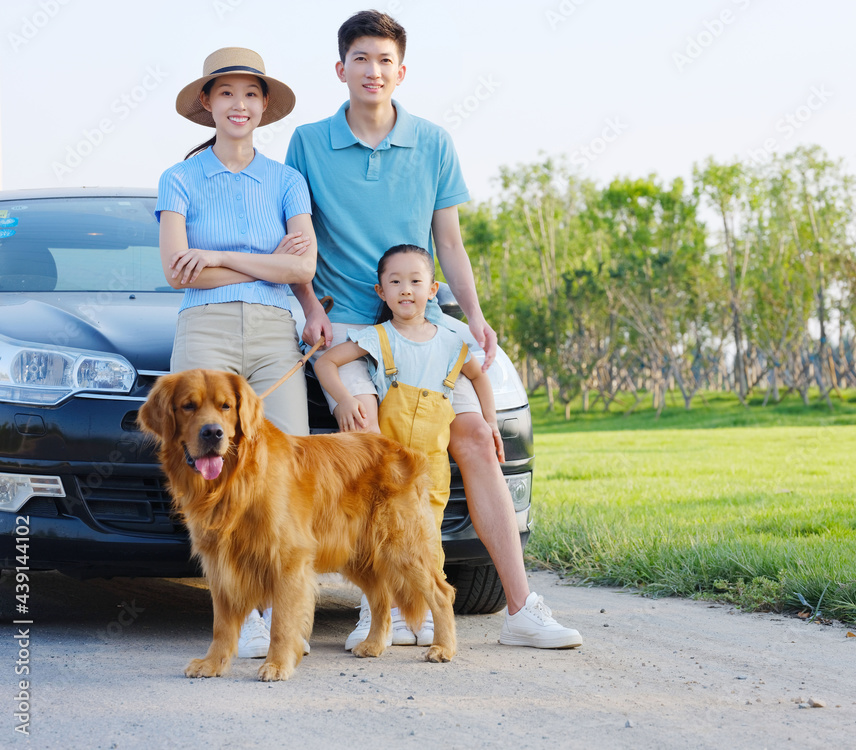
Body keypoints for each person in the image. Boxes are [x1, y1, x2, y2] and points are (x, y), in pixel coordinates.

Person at [287, 11, 582, 649]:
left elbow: (449, 240)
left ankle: (522, 608)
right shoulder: (308, 143)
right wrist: (309, 304)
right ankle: (380, 603)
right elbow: (298, 237)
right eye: (360, 59)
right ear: (341, 69)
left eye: (384, 60)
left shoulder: (434, 141)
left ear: (401, 70)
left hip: (425, 321)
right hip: (350, 326)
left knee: (477, 436)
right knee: (369, 434)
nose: (373, 71)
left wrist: (471, 315)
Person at [157, 47, 318, 659]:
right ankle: (238, 617)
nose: (239, 105)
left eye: (250, 94)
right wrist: (265, 262)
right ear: (207, 103)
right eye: (226, 94)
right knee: (203, 472)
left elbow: (301, 265)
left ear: (264, 105)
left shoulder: (286, 179)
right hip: (205, 331)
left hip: (278, 330)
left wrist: (221, 257)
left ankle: (284, 619)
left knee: (286, 469)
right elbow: (177, 271)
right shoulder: (180, 178)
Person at [313, 245, 494, 647]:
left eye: (416, 281)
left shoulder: (450, 341)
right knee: (376, 542)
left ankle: (428, 615)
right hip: (387, 467)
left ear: (433, 290)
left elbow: (480, 377)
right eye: (395, 282)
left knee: (427, 539)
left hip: (430, 463)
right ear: (380, 291)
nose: (406, 290)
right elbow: (325, 362)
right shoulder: (377, 339)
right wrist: (344, 400)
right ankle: (382, 617)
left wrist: (491, 422)